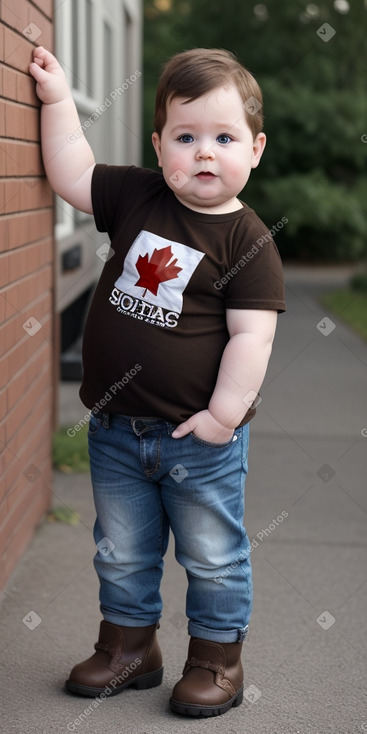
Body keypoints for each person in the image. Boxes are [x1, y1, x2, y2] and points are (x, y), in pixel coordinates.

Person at [29, 46, 286, 718]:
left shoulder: (248, 242)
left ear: (254, 150)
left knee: (212, 556)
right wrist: (59, 101)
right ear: (159, 143)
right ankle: (128, 650)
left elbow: (251, 337)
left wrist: (222, 416)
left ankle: (216, 661)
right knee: (120, 552)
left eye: (223, 138)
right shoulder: (138, 194)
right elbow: (72, 174)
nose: (204, 153)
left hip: (197, 440)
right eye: (186, 136)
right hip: (116, 432)